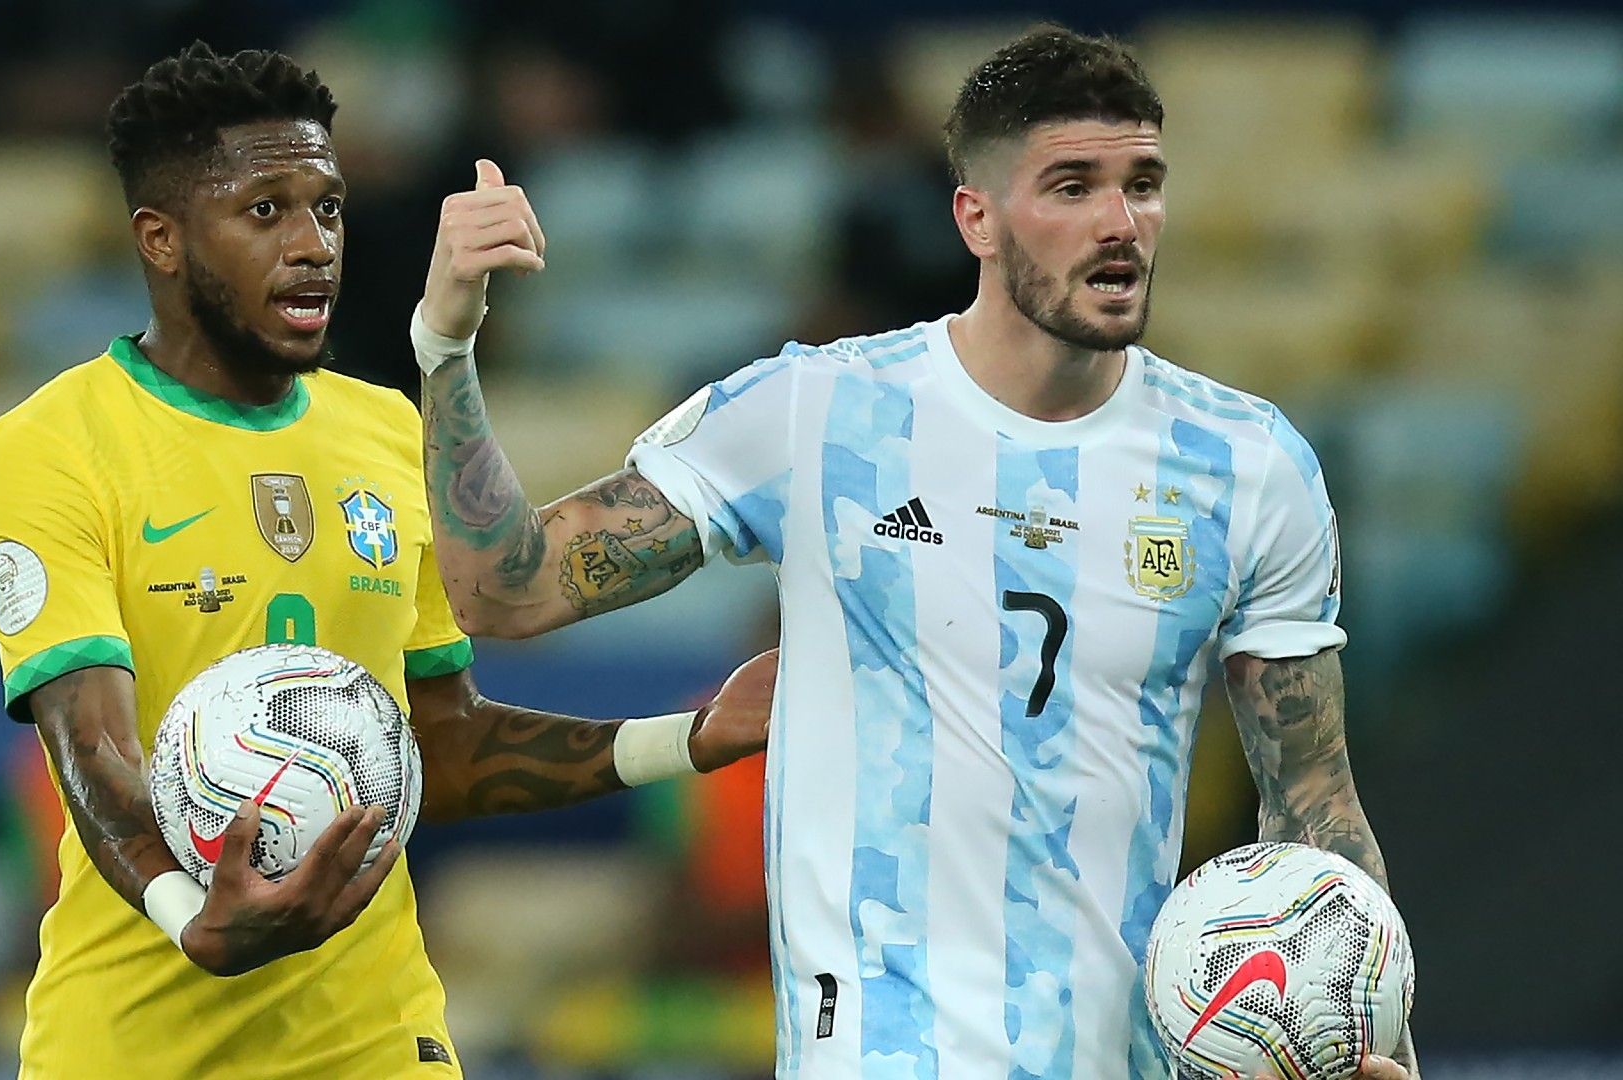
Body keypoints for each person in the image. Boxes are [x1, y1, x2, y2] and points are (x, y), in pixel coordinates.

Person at [410, 26, 1417, 1080]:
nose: (1120, 223)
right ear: (974, 216)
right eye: (1072, 186)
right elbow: (505, 593)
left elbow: (1314, 804)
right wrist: (445, 345)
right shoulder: (816, 413)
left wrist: (1376, 1040)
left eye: (1143, 184)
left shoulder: (1243, 465)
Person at [0, 43, 774, 1079]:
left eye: (329, 210)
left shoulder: (385, 432)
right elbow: (95, 748)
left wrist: (694, 738)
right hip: (132, 1042)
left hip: (374, 1038)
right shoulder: (57, 441)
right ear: (161, 241)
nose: (314, 248)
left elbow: (442, 744)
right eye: (266, 211)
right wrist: (191, 920)